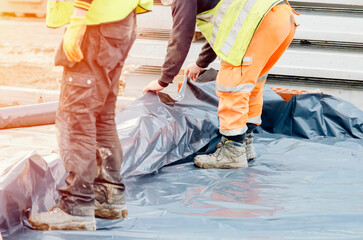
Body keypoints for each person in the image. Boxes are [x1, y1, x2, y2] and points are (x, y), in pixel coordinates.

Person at [28, 0, 153, 231]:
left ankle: (76, 206)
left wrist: (78, 16)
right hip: (120, 21)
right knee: (102, 115)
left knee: (77, 115)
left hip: (96, 23)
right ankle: (107, 196)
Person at [143, 0, 298, 169]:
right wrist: (201, 64)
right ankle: (244, 144)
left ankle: (233, 152)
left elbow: (181, 34)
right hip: (281, 17)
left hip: (260, 22)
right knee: (251, 83)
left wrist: (163, 80)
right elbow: (226, 31)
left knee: (231, 84)